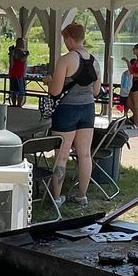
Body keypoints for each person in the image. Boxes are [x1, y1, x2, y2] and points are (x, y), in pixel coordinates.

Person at [47, 21, 100, 206]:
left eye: (65, 39)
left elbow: (55, 91)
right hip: (88, 109)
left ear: (70, 38)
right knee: (85, 154)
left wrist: (49, 81)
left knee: (61, 155)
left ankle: (56, 197)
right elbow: (96, 91)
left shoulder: (65, 60)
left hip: (67, 110)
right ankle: (81, 195)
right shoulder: (95, 62)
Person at [122, 42, 138, 115]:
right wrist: (127, 61)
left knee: (135, 105)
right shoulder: (136, 60)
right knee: (129, 103)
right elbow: (131, 71)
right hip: (134, 82)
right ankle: (136, 117)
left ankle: (137, 118)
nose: (133, 50)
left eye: (134, 48)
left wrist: (133, 75)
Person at [6, 41, 28, 107]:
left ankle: (14, 104)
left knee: (13, 90)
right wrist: (26, 55)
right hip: (17, 74)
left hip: (14, 74)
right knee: (20, 91)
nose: (23, 44)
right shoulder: (18, 52)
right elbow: (20, 59)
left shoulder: (13, 51)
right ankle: (18, 105)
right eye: (22, 43)